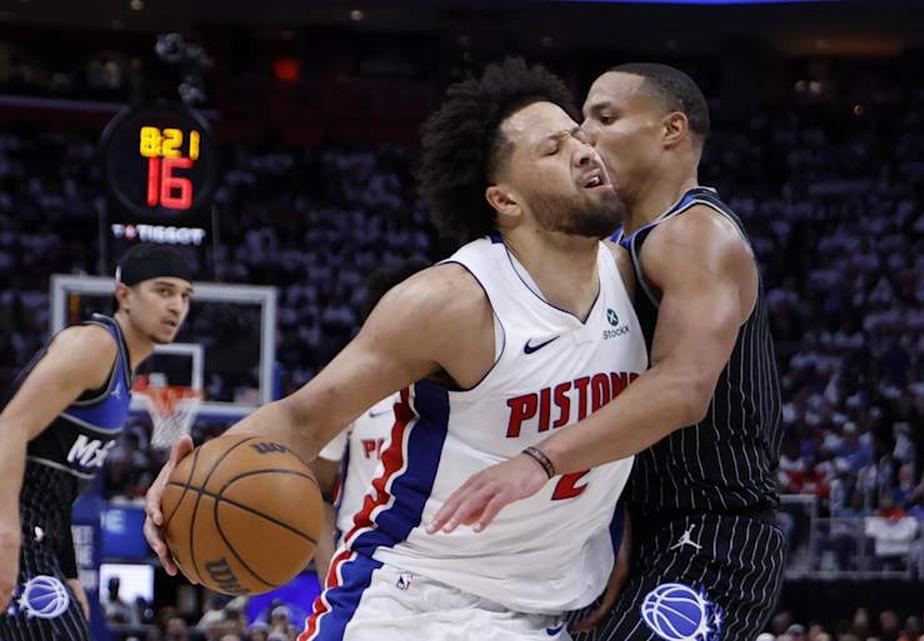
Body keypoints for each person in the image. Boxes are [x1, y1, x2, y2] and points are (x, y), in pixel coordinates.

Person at [144, 58, 646, 641]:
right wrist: (189, 474)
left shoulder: (632, 276)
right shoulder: (452, 301)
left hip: (561, 610)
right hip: (420, 604)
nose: (585, 151)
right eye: (553, 149)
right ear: (504, 200)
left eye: (580, 137)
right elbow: (306, 416)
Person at [432, 62, 786, 641]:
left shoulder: (695, 233)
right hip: (640, 530)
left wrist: (538, 462)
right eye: (581, 121)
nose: (586, 135)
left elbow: (682, 391)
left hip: (717, 534)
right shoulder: (619, 247)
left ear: (671, 130)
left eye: (605, 116)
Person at [0, 243, 193, 641]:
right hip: (14, 528)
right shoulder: (95, 345)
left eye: (184, 295)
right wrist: (5, 535)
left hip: (39, 535)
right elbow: (9, 427)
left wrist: (69, 572)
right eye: (163, 290)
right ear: (124, 294)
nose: (177, 305)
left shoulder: (121, 370)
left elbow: (58, 489)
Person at [308, 259, 431, 581]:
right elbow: (315, 489)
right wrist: (328, 570)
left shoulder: (471, 389)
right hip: (363, 561)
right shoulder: (349, 390)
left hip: (440, 567)